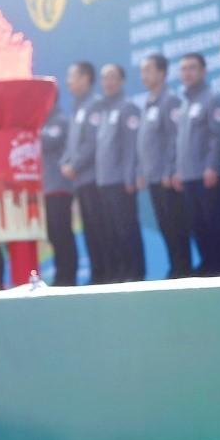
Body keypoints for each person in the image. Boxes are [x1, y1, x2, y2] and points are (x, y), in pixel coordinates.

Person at [173, 53, 220, 276]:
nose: (187, 73)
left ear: (203, 71)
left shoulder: (212, 98)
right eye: (184, 69)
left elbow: (217, 136)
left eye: (192, 68)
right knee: (196, 225)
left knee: (214, 221)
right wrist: (178, 170)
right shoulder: (185, 103)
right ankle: (207, 263)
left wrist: (213, 166)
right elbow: (181, 142)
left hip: (208, 173)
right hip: (188, 175)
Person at [137, 54, 191, 279]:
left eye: (149, 70)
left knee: (176, 225)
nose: (145, 75)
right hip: (153, 177)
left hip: (167, 177)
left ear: (162, 73)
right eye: (143, 70)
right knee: (165, 226)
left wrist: (170, 169)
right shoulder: (149, 102)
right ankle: (175, 267)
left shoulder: (170, 100)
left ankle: (183, 269)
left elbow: (174, 138)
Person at [94, 64, 144, 282]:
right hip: (105, 181)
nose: (108, 82)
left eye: (113, 78)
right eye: (104, 78)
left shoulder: (128, 108)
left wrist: (130, 176)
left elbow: (132, 146)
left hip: (122, 182)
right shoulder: (105, 111)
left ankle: (135, 271)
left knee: (127, 227)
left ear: (122, 81)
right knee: (112, 230)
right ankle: (120, 271)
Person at [59, 62, 105, 284]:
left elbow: (92, 143)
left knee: (100, 226)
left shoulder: (95, 105)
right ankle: (98, 273)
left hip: (95, 178)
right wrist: (65, 162)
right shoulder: (78, 107)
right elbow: (72, 144)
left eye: (73, 76)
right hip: (81, 181)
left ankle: (106, 272)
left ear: (86, 78)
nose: (69, 82)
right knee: (89, 228)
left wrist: (74, 165)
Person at [39, 96, 79, 286]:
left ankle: (69, 275)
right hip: (46, 187)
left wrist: (30, 132)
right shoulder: (41, 122)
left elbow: (48, 142)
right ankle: (60, 273)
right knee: (53, 233)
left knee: (63, 231)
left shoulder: (61, 121)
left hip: (60, 186)